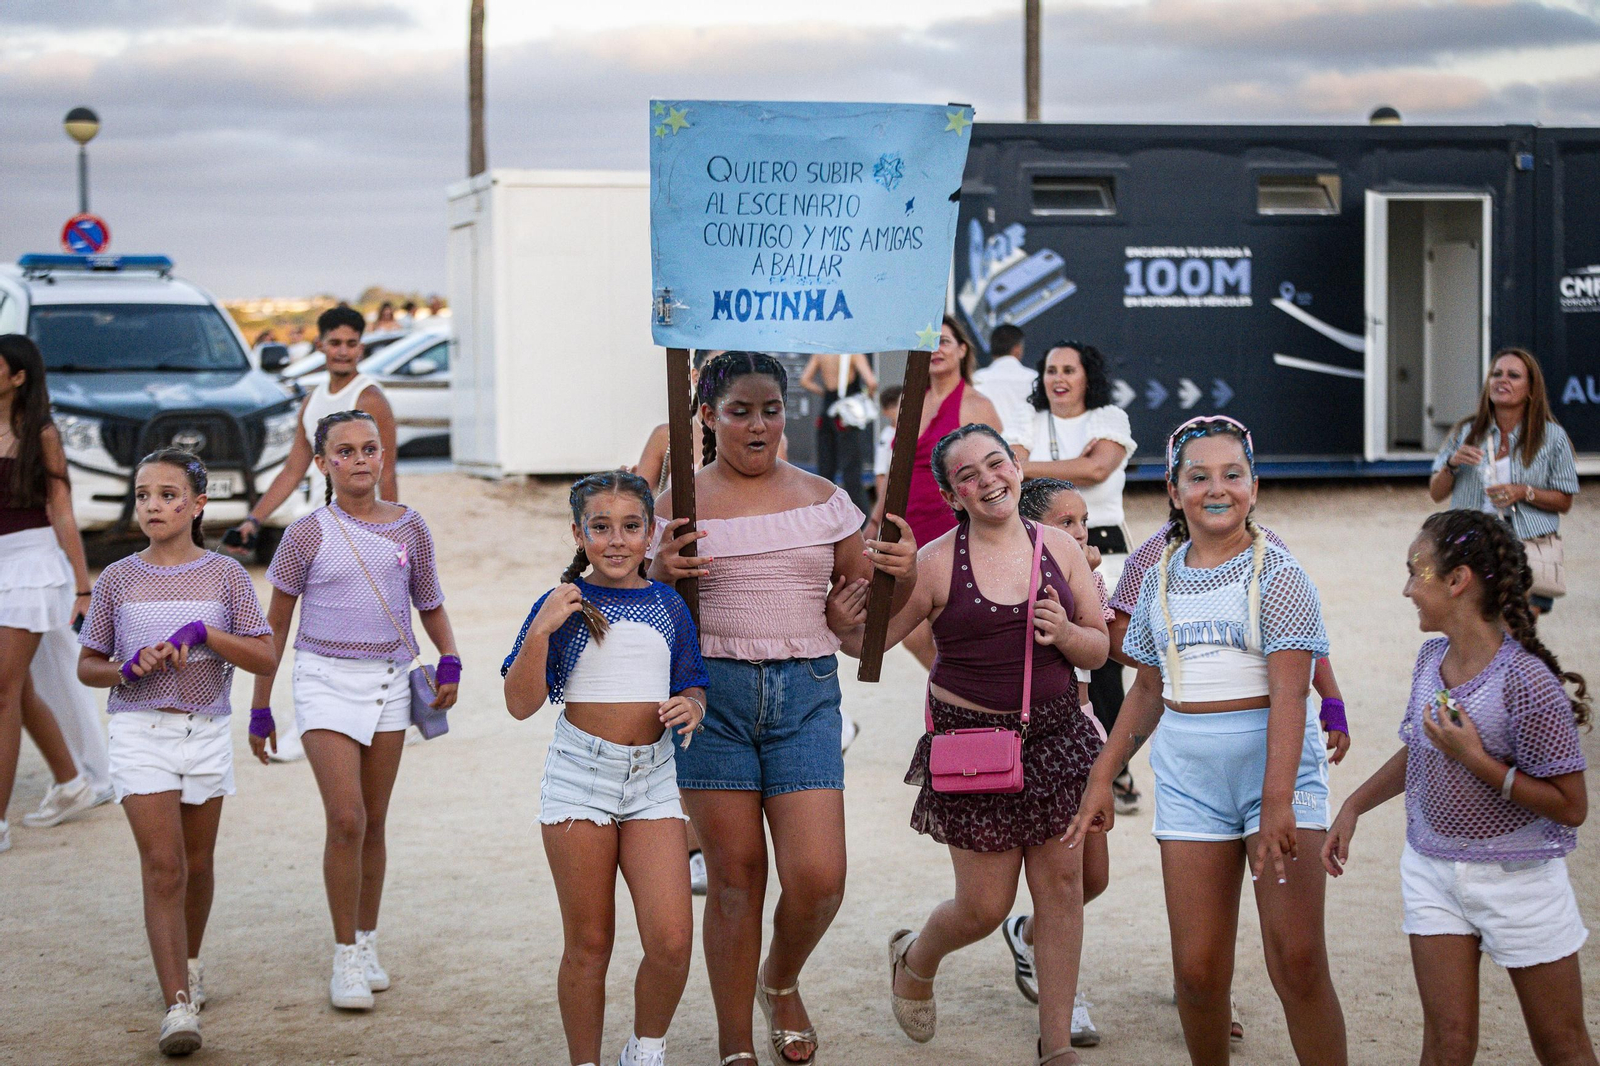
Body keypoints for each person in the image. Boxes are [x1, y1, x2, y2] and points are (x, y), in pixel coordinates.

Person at [648, 350, 916, 1066]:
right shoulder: (677, 507)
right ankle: (737, 1045)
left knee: (820, 877)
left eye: (771, 408)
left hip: (804, 697)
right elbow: (638, 625)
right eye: (739, 410)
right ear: (707, 416)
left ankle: (781, 978)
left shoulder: (828, 501)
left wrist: (891, 585)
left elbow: (867, 636)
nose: (758, 424)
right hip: (712, 703)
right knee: (735, 881)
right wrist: (657, 576)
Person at [1067, 416, 1348, 1066]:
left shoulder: (1278, 573)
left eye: (1232, 474)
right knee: (1196, 977)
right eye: (1199, 476)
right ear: (1173, 488)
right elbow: (1144, 691)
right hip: (1191, 783)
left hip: (1278, 778)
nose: (1215, 489)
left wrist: (1277, 798)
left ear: (1254, 486)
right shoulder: (1158, 574)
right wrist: (1104, 774)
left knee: (1298, 964)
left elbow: (1290, 694)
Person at [828, 424, 1107, 1065]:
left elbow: (1097, 646)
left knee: (1062, 890)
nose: (988, 481)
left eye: (996, 464)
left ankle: (1056, 1043)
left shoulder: (1059, 547)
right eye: (969, 476)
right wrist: (846, 626)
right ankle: (915, 958)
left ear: (1016, 467)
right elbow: (872, 646)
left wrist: (1065, 631)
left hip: (1058, 737)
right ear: (954, 496)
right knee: (984, 907)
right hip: (973, 746)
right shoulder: (933, 561)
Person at [1323, 509, 1595, 1066]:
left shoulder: (1527, 682)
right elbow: (1425, 749)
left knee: (1562, 1047)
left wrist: (1477, 760)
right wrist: (1353, 805)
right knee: (1446, 1045)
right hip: (1432, 873)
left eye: (1414, 573)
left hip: (1521, 881)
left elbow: (1572, 807)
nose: (1406, 590)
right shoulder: (1431, 658)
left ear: (1457, 581)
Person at [253, 410, 460, 1012]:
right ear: (322, 464)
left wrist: (450, 659)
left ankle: (367, 940)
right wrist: (261, 708)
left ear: (384, 456)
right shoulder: (306, 533)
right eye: (344, 451)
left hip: (391, 682)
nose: (360, 460)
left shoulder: (410, 527)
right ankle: (344, 952)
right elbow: (277, 623)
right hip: (322, 679)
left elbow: (430, 602)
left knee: (374, 818)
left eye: (370, 448)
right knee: (345, 818)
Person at [503, 470, 709, 1066]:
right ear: (577, 533)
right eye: (600, 527)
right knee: (590, 944)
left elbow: (691, 678)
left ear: (650, 533)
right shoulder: (563, 606)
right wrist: (541, 629)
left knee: (672, 941)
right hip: (580, 780)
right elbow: (520, 704)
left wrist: (690, 705)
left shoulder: (667, 604)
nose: (615, 541)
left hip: (652, 780)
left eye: (630, 527)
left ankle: (644, 1049)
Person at [76, 449, 276, 1056]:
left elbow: (265, 656)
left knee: (198, 863)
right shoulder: (116, 579)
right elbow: (88, 666)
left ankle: (187, 961)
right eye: (143, 495)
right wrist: (127, 667)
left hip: (206, 731)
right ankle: (177, 1007)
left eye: (167, 494)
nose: (153, 506)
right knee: (164, 867)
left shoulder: (226, 577)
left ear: (198, 504)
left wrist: (206, 636)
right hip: (140, 732)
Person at [227, 305, 399, 762]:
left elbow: (388, 473)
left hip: (367, 528)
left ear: (361, 346)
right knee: (293, 621)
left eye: (351, 342)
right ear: (319, 345)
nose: (343, 351)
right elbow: (292, 468)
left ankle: (380, 713)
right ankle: (315, 715)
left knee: (369, 622)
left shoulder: (372, 397)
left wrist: (393, 533)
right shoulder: (313, 397)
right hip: (325, 526)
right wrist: (254, 519)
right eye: (334, 342)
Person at [1002, 476, 1116, 1048]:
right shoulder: (1009, 575)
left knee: (1093, 876)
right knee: (1062, 883)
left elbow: (1110, 648)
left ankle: (1026, 934)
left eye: (1083, 522)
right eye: (1064, 523)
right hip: (1029, 741)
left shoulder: (1086, 575)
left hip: (1082, 736)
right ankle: (1063, 1008)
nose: (1079, 533)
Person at [0, 335, 98, 852]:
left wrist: (83, 588)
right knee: (14, 689)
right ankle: (71, 781)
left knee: (2, 688)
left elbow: (61, 510)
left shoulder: (41, 433)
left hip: (32, 564)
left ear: (18, 377)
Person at [1428, 347, 1578, 615]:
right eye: (1496, 374)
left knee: (1515, 641)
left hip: (1527, 550)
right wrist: (1452, 464)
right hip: (1470, 550)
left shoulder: (1553, 438)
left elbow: (1564, 500)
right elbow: (1436, 493)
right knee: (1474, 637)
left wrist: (1522, 492)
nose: (1502, 380)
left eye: (1513, 375)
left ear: (1531, 389)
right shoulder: (1466, 431)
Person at [896, 316, 1003, 669]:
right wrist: (879, 517)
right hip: (908, 527)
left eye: (943, 341)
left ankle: (966, 693)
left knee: (955, 626)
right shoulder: (910, 400)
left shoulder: (976, 404)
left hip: (952, 528)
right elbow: (895, 465)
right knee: (910, 632)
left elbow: (997, 476)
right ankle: (955, 689)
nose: (935, 350)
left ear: (962, 349)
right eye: (927, 344)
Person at [799, 352, 878, 514]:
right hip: (846, 413)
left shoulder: (821, 354)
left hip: (827, 410)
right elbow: (871, 382)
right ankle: (860, 517)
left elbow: (804, 380)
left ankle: (823, 513)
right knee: (852, 469)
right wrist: (864, 398)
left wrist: (825, 393)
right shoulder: (854, 354)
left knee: (826, 468)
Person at [972, 323, 1037, 448]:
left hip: (986, 451)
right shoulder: (1034, 379)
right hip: (1028, 454)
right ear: (1018, 348)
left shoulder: (976, 379)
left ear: (992, 348)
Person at [871, 385, 904, 535]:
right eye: (896, 406)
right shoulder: (886, 438)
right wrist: (884, 507)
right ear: (886, 412)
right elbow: (881, 473)